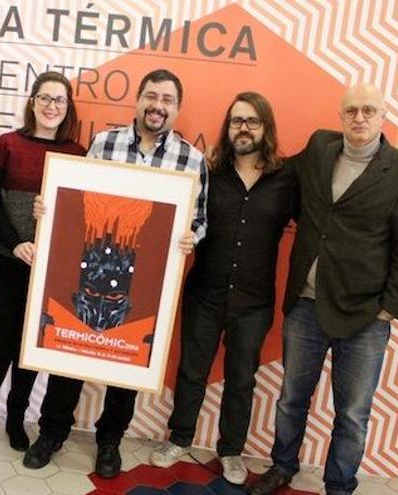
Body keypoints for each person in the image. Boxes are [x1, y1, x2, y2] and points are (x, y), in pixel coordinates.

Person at [23, 69, 209, 479]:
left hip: (144, 279)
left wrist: (188, 238)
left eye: (167, 99)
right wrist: (47, 209)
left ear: (177, 108)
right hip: (93, 265)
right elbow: (77, 201)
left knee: (128, 363)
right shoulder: (105, 144)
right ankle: (52, 432)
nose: (157, 106)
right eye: (151, 96)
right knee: (71, 355)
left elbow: (199, 220)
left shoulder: (191, 160)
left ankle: (110, 441)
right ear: (138, 100)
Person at [246, 84, 398, 495]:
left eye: (368, 110)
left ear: (383, 116)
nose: (359, 118)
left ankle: (339, 485)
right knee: (292, 399)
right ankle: (282, 467)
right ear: (340, 116)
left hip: (365, 315)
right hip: (307, 306)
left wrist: (389, 309)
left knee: (353, 413)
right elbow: (279, 171)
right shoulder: (320, 148)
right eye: (351, 111)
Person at [147, 92, 296, 485]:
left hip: (254, 301)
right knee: (192, 372)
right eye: (236, 121)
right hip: (205, 294)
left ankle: (231, 451)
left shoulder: (286, 180)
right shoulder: (207, 172)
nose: (243, 128)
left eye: (252, 121)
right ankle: (179, 439)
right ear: (227, 128)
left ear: (266, 127)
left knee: (242, 379)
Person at [0, 72, 86, 452]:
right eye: (45, 98)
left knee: (28, 352)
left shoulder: (77, 154)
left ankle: (16, 419)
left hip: (49, 270)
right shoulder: (7, 144)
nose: (52, 106)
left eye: (59, 100)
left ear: (67, 108)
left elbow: (80, 216)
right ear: (33, 102)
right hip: (3, 261)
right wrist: (17, 243)